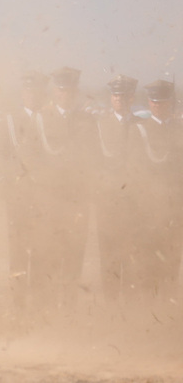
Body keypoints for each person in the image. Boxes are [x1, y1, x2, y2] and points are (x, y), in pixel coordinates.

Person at [33, 66, 96, 311]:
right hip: (48, 202)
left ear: (76, 91)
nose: (65, 94)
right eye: (61, 89)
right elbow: (31, 158)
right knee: (48, 257)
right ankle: (46, 311)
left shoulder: (87, 120)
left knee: (73, 258)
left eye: (70, 89)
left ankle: (68, 311)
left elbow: (93, 160)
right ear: (55, 91)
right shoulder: (41, 118)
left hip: (76, 203)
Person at [0, 70, 49, 315]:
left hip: (46, 199)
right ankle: (18, 305)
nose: (32, 96)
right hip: (19, 198)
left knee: (41, 251)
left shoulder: (50, 119)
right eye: (28, 91)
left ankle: (38, 303)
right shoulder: (9, 122)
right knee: (18, 252)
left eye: (36, 92)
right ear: (22, 94)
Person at [132, 78, 183, 304]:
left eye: (161, 102)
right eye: (153, 102)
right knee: (147, 263)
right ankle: (147, 312)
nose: (157, 106)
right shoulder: (138, 131)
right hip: (147, 210)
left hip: (174, 210)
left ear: (171, 103)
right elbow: (132, 173)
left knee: (172, 262)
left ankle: (167, 312)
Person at [94, 74, 140, 305]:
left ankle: (131, 309)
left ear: (132, 97)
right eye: (115, 95)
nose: (119, 99)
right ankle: (110, 308)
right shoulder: (100, 126)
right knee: (109, 258)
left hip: (135, 205)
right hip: (108, 204)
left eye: (123, 95)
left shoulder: (141, 126)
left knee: (132, 258)